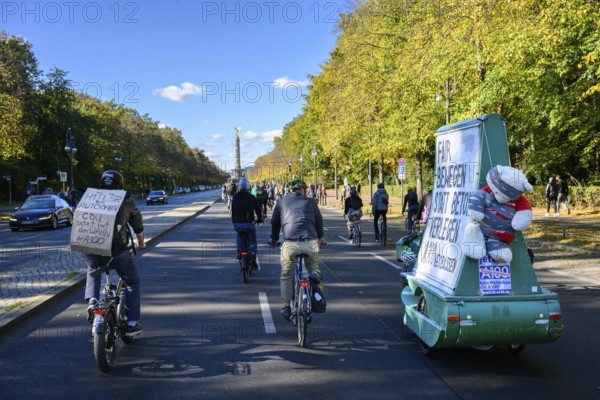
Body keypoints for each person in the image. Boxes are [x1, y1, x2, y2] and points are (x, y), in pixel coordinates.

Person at [84, 170, 146, 337]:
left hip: (92, 248)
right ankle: (132, 323)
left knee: (93, 270)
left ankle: (92, 300)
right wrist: (141, 243)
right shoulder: (125, 199)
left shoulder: (91, 197)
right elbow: (137, 223)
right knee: (132, 281)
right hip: (117, 250)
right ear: (120, 184)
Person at [269, 179, 326, 320]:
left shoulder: (281, 201)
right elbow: (319, 220)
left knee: (286, 276)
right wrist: (321, 237)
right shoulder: (311, 202)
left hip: (290, 243)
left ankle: (287, 307)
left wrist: (274, 239)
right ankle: (314, 276)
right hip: (310, 242)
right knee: (313, 268)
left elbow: (275, 222)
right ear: (303, 190)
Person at [231, 178, 263, 268]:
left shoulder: (235, 197)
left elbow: (232, 211)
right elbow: (257, 210)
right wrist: (260, 219)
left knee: (239, 235)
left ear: (239, 187)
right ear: (248, 187)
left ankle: (239, 251)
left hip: (238, 223)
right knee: (253, 241)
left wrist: (234, 220)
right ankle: (253, 257)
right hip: (249, 223)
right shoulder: (251, 197)